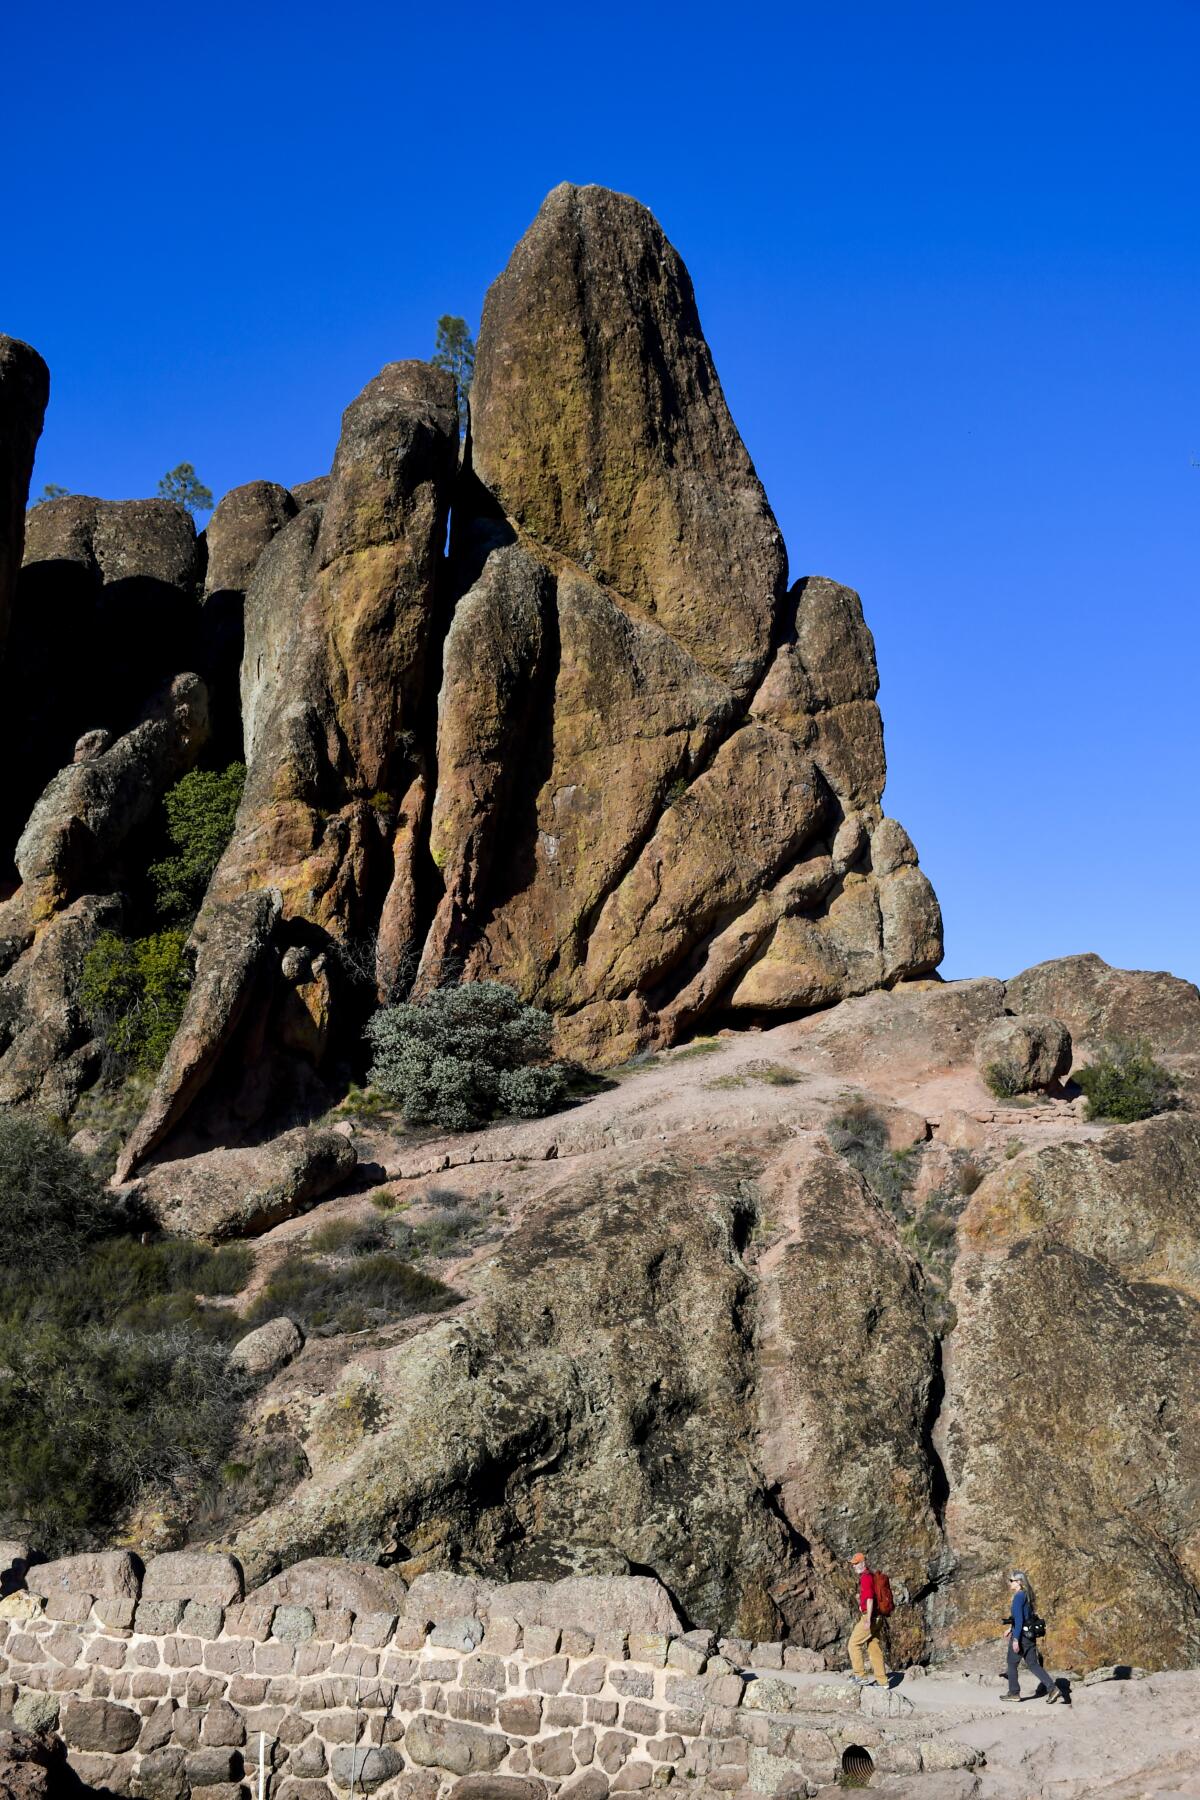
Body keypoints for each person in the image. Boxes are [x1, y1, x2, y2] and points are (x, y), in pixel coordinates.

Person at [1001, 1571, 1060, 1702]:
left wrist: (1015, 1639)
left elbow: (1020, 1619)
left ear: (1019, 1582)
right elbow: (1025, 1617)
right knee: (1033, 1664)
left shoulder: (1018, 1597)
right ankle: (1053, 1689)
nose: (1010, 1583)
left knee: (1011, 1663)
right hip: (1029, 1635)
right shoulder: (1027, 1595)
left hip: (1021, 1636)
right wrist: (1010, 1628)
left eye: (1012, 1580)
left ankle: (1014, 1693)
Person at [846, 1551, 887, 1688]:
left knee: (853, 1644)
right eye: (853, 1564)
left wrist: (868, 1619)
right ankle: (882, 1682)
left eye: (856, 1563)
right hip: (878, 1617)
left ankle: (860, 1676)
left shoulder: (865, 1577)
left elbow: (869, 1598)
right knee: (873, 1647)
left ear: (863, 1562)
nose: (854, 1566)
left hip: (870, 1617)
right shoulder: (871, 1576)